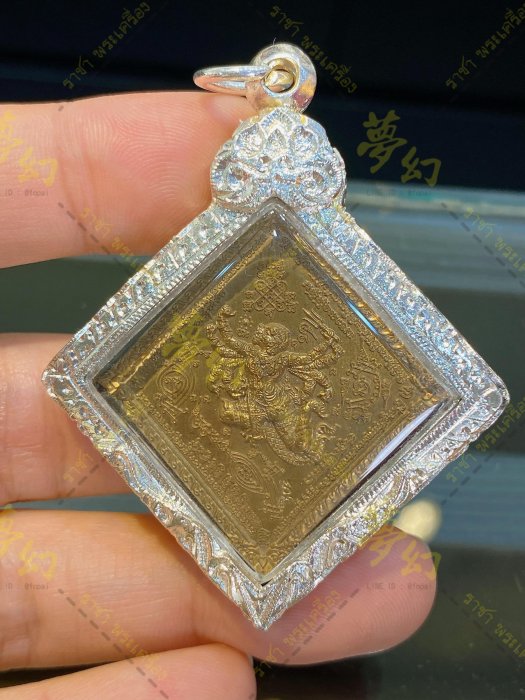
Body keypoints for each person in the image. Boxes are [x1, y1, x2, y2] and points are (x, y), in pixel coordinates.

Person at [0, 92, 435, 699]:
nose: (267, 340)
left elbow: (308, 366)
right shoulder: (247, 349)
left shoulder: (298, 358)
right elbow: (219, 354)